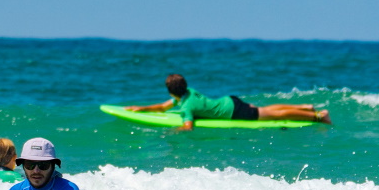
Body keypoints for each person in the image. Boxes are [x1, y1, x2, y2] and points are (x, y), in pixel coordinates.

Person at [126, 74, 331, 130]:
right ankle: (304, 107)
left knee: (274, 115)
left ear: (171, 90)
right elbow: (163, 107)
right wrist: (141, 109)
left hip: (234, 112)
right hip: (230, 101)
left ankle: (318, 116)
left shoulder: (187, 106)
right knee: (265, 110)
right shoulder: (189, 93)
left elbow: (188, 126)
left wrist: (171, 132)